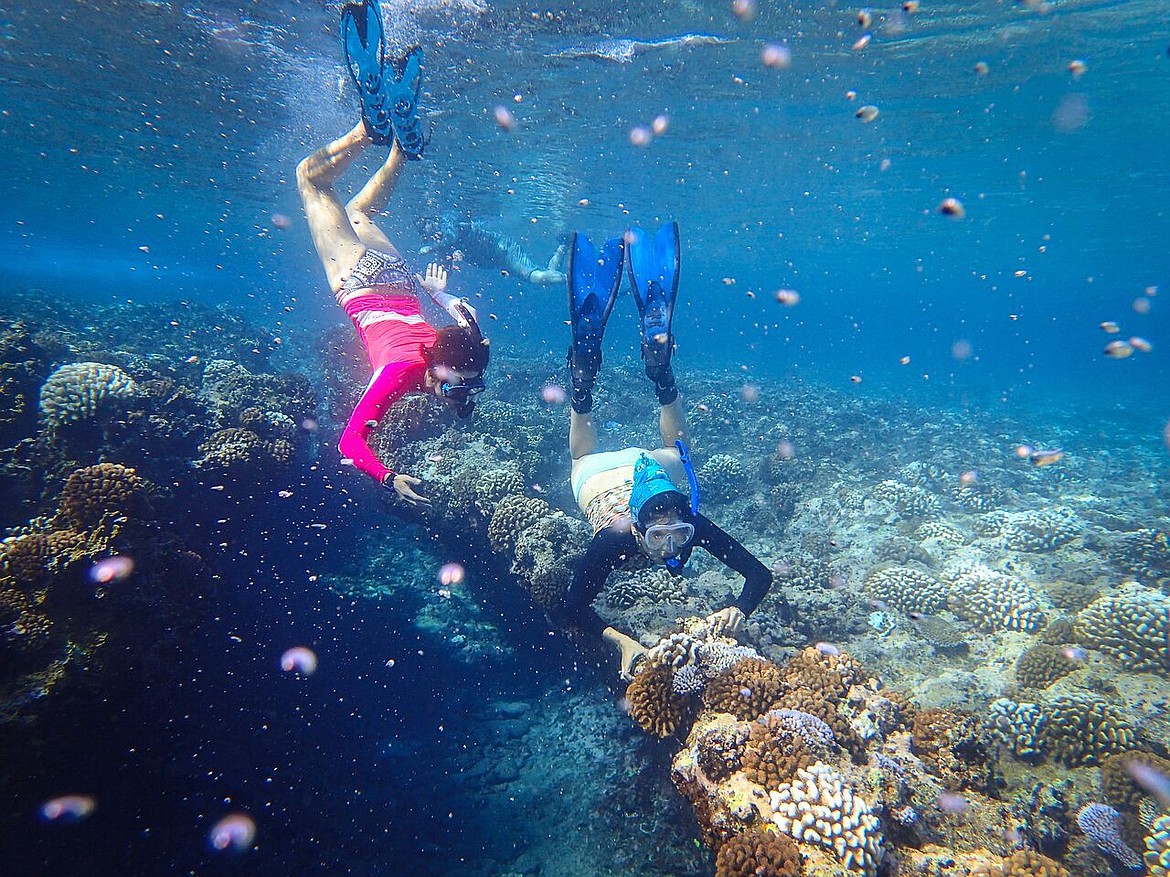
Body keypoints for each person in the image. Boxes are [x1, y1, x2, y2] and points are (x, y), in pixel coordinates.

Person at [550, 222, 773, 679]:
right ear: (637, 528)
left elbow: (573, 608)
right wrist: (625, 641)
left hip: (641, 467)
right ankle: (646, 374)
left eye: (674, 535)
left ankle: (592, 376)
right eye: (660, 538)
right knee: (586, 462)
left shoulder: (680, 522)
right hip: (603, 474)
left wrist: (738, 611)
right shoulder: (616, 539)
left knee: (674, 450)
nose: (670, 544)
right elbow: (759, 576)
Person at [296, 0, 489, 506]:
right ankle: (370, 129)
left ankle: (402, 147)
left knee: (359, 212)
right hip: (360, 282)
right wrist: (387, 478)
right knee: (312, 181)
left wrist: (437, 294)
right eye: (456, 389)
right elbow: (349, 442)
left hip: (402, 283)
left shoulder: (460, 344)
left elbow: (466, 316)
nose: (454, 394)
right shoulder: (399, 375)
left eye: (461, 391)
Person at [416, 213, 567, 285]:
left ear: (432, 220)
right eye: (421, 231)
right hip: (498, 259)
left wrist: (431, 248)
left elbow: (452, 237)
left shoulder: (447, 223)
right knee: (543, 277)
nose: (425, 233)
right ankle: (563, 245)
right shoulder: (443, 244)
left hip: (503, 250)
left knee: (536, 277)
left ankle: (569, 279)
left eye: (424, 227)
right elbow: (446, 272)